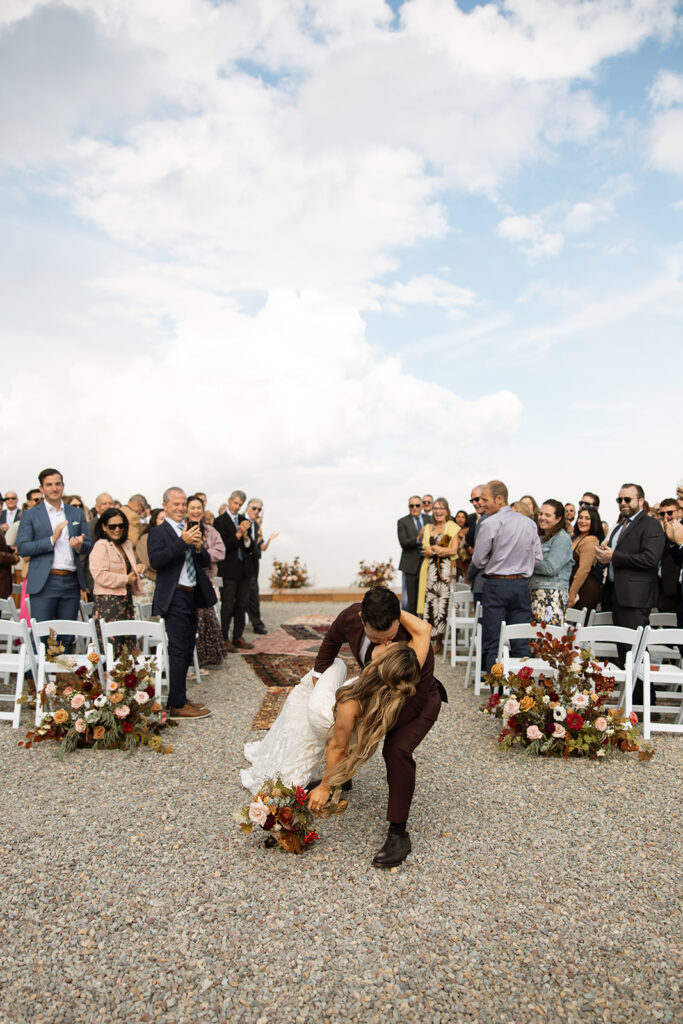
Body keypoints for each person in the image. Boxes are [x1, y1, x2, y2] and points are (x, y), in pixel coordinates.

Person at [311, 587, 446, 867]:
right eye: (376, 639)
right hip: (375, 690)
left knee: (395, 751)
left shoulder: (414, 644)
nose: (384, 644)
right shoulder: (351, 617)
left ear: (400, 620)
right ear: (362, 620)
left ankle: (399, 832)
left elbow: (397, 697)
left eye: (389, 639)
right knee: (343, 725)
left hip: (415, 702)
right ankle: (341, 777)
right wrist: (319, 680)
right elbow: (331, 642)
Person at [147, 487, 216, 719]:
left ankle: (181, 696)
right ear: (165, 506)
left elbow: (205, 561)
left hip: (191, 594)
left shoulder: (191, 528)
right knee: (178, 649)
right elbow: (156, 561)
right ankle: (175, 705)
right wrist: (182, 542)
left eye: (182, 504)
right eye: (175, 504)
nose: (180, 508)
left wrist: (197, 547)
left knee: (187, 648)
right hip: (173, 595)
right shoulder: (159, 531)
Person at [595, 483, 665, 699]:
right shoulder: (619, 527)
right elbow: (612, 555)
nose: (623, 503)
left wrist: (613, 556)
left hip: (635, 598)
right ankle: (632, 700)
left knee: (636, 651)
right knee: (624, 651)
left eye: (627, 499)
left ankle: (647, 702)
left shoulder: (651, 525)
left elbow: (650, 559)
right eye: (619, 500)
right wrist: (603, 558)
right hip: (616, 594)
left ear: (640, 501)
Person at [16, 468, 92, 651]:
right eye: (49, 485)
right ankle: (35, 679)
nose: (54, 488)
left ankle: (63, 679)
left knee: (66, 637)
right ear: (41, 488)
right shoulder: (30, 515)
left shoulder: (76, 513)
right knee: (40, 636)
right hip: (45, 581)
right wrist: (52, 539)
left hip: (71, 581)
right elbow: (23, 547)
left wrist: (79, 545)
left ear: (63, 486)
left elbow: (88, 544)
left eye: (57, 484)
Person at [472, 480, 542, 672]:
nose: (481, 503)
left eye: (485, 499)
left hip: (496, 585)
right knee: (520, 640)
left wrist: (496, 564)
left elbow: (478, 561)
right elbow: (538, 558)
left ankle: (496, 692)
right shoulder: (529, 523)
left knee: (493, 639)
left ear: (499, 499)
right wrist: (520, 565)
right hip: (520, 585)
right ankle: (519, 692)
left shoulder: (490, 523)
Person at [89, 508, 145, 653]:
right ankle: (109, 675)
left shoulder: (125, 544)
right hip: (108, 602)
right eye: (112, 526)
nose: (117, 529)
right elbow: (100, 575)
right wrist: (126, 579)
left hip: (125, 600)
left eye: (121, 525)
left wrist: (136, 569)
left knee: (127, 645)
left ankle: (128, 676)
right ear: (104, 527)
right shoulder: (101, 546)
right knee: (110, 647)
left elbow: (125, 569)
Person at [186, 494, 227, 666]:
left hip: (205, 577)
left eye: (198, 508)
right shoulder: (181, 529)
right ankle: (190, 660)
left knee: (207, 618)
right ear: (186, 510)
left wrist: (203, 553)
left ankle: (206, 657)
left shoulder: (210, 531)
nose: (196, 511)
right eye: (192, 508)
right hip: (187, 581)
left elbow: (221, 551)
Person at [417, 497, 460, 654]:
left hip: (446, 570)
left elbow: (453, 550)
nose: (438, 511)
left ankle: (447, 642)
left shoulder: (451, 527)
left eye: (441, 508)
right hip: (430, 571)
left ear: (447, 511)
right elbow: (424, 548)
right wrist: (434, 550)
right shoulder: (429, 528)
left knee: (445, 605)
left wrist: (434, 550)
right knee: (431, 605)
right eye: (435, 508)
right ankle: (436, 641)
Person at [214, 489, 254, 651]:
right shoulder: (219, 522)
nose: (237, 507)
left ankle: (238, 636)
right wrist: (238, 534)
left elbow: (250, 548)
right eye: (235, 503)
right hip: (228, 570)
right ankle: (224, 638)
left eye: (240, 504)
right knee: (227, 605)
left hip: (245, 570)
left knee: (242, 604)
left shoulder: (245, 520)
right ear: (229, 501)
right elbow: (223, 546)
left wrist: (245, 538)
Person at [528, 499, 574, 625]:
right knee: (534, 640)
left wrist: (527, 561)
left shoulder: (562, 539)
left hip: (551, 596)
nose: (542, 518)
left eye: (547, 515)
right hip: (536, 594)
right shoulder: (541, 538)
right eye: (541, 514)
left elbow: (550, 568)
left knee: (546, 640)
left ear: (558, 519)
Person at [243, 497, 277, 635]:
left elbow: (261, 547)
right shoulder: (241, 521)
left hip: (254, 561)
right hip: (242, 563)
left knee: (253, 593)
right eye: (254, 508)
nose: (256, 511)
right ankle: (255, 624)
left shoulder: (255, 525)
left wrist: (268, 539)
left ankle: (257, 624)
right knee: (246, 595)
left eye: (259, 509)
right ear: (247, 507)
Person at [397, 496, 430, 615]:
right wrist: (418, 538)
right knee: (412, 602)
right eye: (412, 506)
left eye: (417, 505)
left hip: (427, 564)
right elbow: (403, 542)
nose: (414, 508)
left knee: (427, 599)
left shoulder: (429, 519)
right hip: (411, 566)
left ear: (421, 506)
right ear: (408, 507)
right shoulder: (402, 522)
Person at [568, 505, 603, 612]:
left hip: (585, 590)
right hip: (575, 587)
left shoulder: (591, 540)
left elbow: (584, 569)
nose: (582, 521)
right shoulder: (577, 537)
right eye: (580, 517)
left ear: (594, 522)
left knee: (579, 626)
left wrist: (572, 594)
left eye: (587, 519)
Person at [656, 499, 682, 614]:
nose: (666, 516)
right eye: (662, 514)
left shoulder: (681, 529)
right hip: (661, 587)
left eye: (670, 513)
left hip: (677, 588)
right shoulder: (658, 530)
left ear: (679, 512)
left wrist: (673, 541)